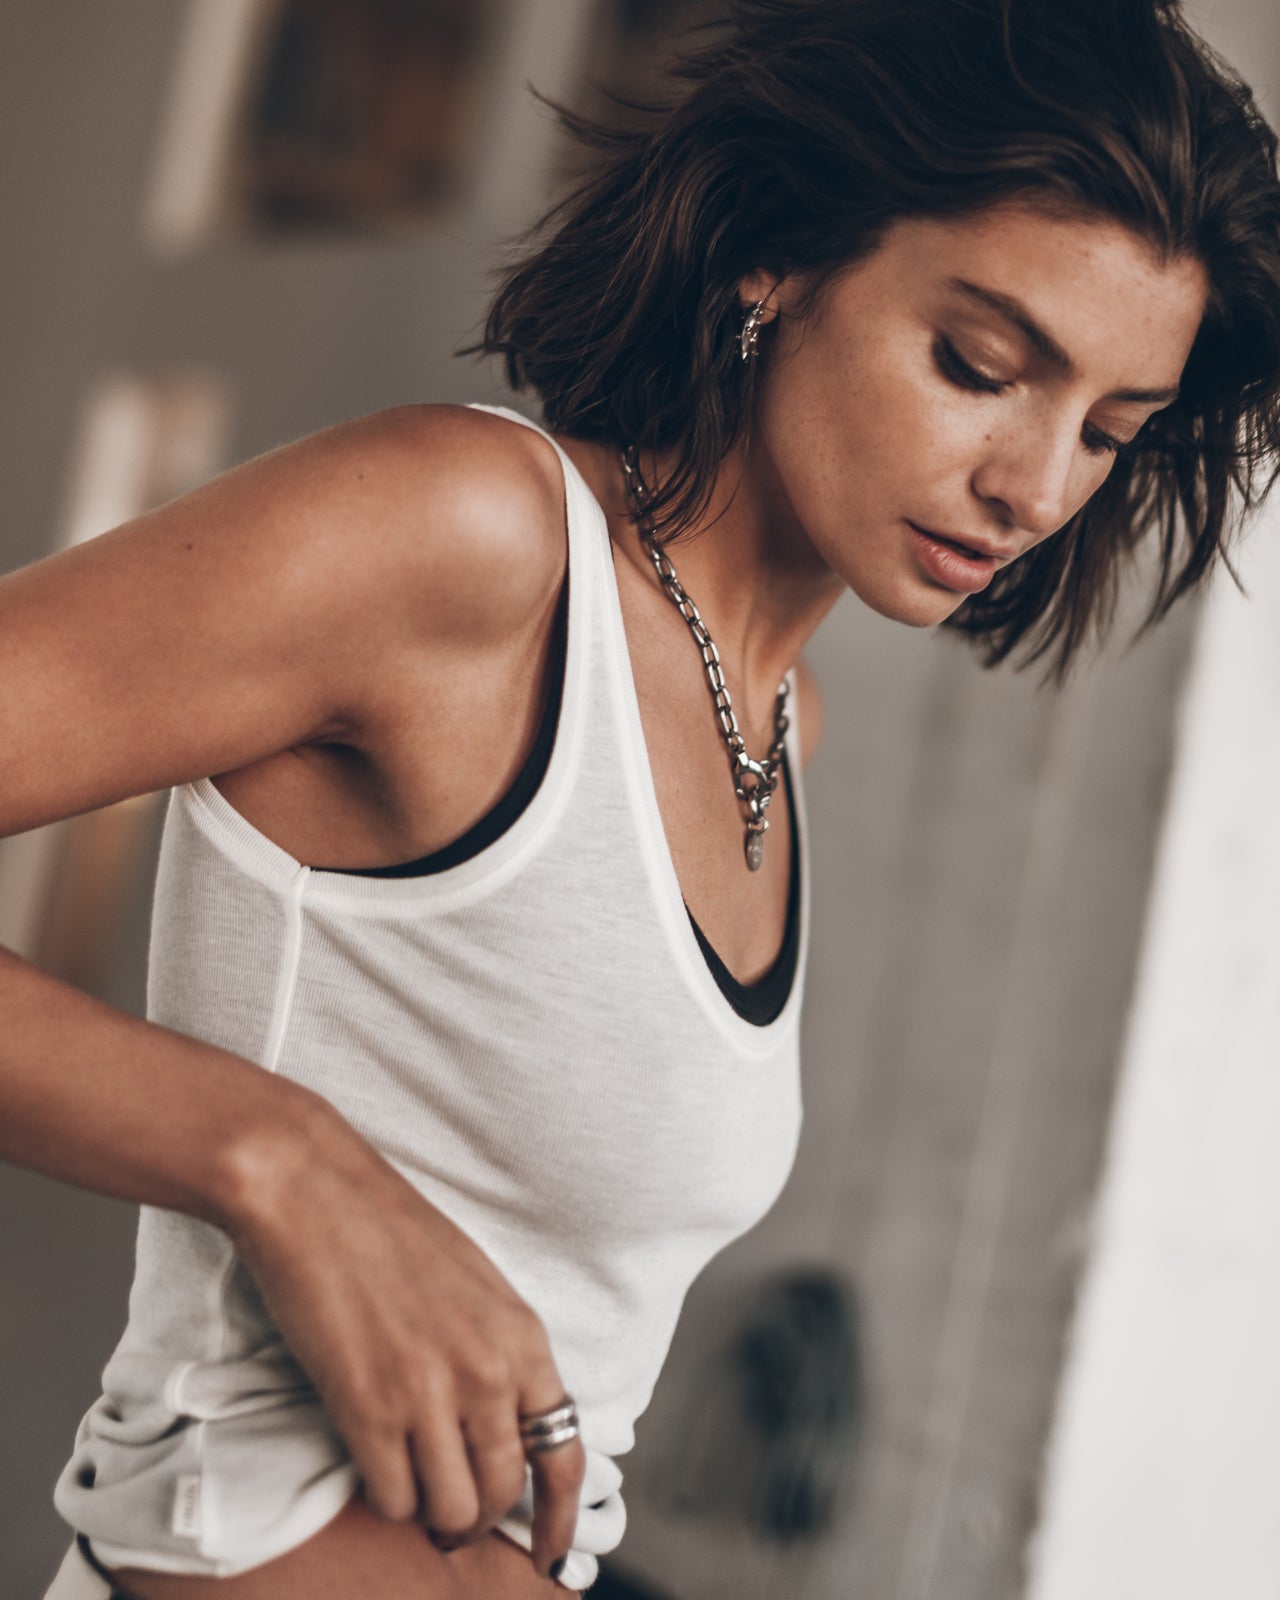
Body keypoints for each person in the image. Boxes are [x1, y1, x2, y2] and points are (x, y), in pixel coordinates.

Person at [6, 0, 1280, 1595]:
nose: (1033, 484)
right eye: (978, 365)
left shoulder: (780, 727)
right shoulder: (471, 541)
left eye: (1108, 429)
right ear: (779, 251)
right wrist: (276, 1162)